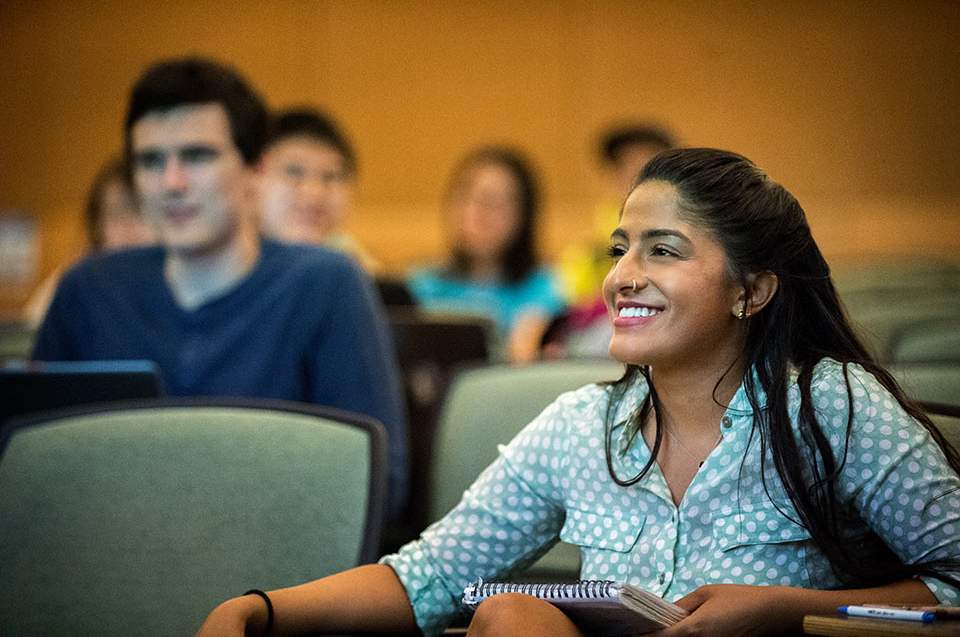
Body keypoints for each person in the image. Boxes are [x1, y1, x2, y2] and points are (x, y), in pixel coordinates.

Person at [196, 148, 960, 637]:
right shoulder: (580, 427)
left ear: (752, 291)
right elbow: (429, 577)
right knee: (510, 613)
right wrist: (260, 610)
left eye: (663, 251)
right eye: (619, 249)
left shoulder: (835, 407)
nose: (622, 275)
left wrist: (787, 611)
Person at [31, 57, 409, 519]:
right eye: (150, 161)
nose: (172, 183)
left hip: (276, 577)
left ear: (256, 170)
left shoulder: (325, 283)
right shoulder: (88, 290)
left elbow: (378, 482)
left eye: (197, 156)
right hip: (105, 562)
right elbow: (29, 470)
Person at [406, 146, 566, 363]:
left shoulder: (547, 292)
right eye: (469, 198)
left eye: (496, 202)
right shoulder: (418, 286)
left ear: (524, 214)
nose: (479, 213)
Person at [546, 124, 675, 359]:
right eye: (626, 165)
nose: (635, 173)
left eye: (646, 164)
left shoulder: (682, 237)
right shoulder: (588, 248)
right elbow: (569, 307)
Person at [21, 156, 157, 327]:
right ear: (97, 224)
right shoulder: (70, 284)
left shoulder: (183, 282)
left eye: (141, 210)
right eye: (116, 212)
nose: (130, 225)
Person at [257, 107, 380, 272]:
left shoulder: (359, 272)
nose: (314, 193)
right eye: (294, 172)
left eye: (330, 176)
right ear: (252, 178)